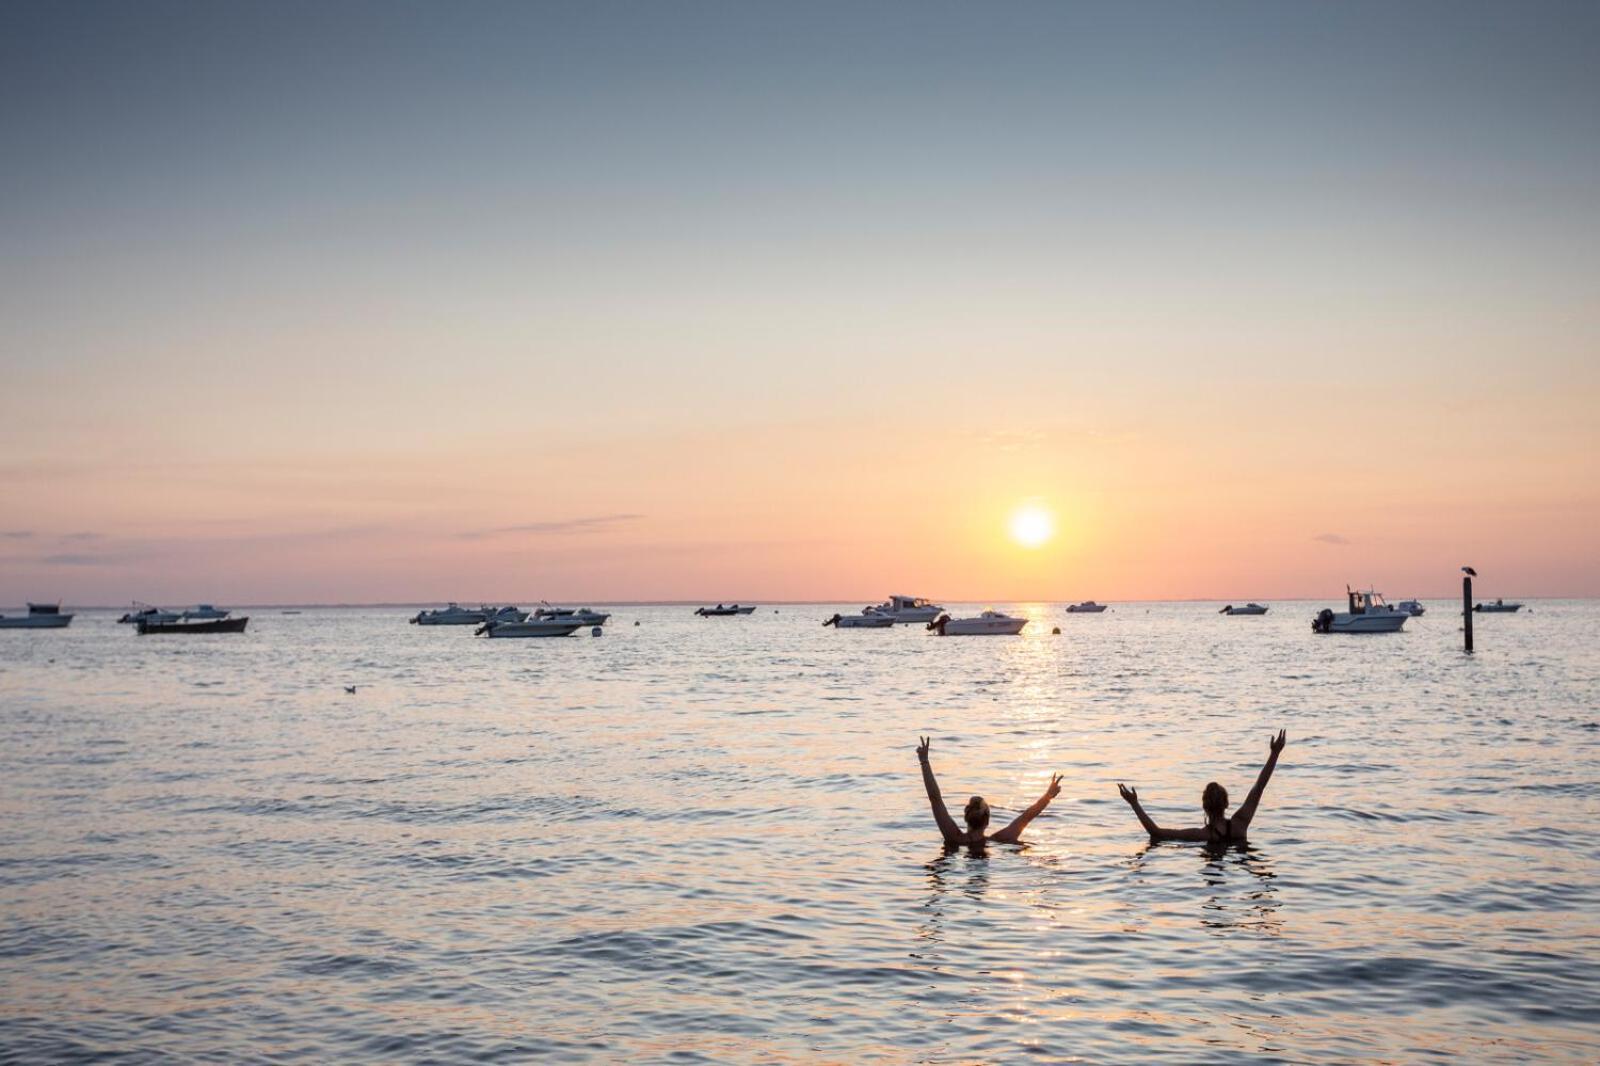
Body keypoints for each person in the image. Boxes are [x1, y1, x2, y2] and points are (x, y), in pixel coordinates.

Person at [1117, 729, 1286, 847]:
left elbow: (1156, 833)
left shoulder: (1199, 835)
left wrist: (1134, 804)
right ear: (1226, 803)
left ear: (1204, 806)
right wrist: (1274, 753)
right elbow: (1259, 786)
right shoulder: (1240, 824)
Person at [917, 736, 1062, 848]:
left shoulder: (953, 838)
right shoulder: (1000, 840)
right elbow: (1027, 816)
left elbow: (935, 798)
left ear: (966, 816)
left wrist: (924, 761)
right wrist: (1049, 795)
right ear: (987, 821)